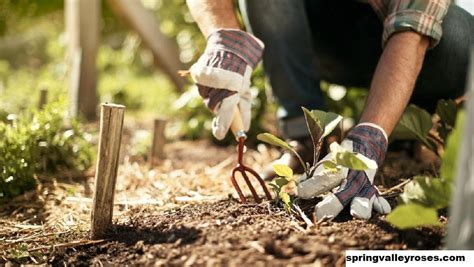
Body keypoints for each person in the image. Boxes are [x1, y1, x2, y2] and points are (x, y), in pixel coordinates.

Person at [185, 0, 472, 221]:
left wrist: (370, 135)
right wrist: (222, 36)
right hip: (316, 36)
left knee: (461, 41)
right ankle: (305, 135)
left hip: (403, 35)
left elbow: (413, 33)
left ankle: (400, 129)